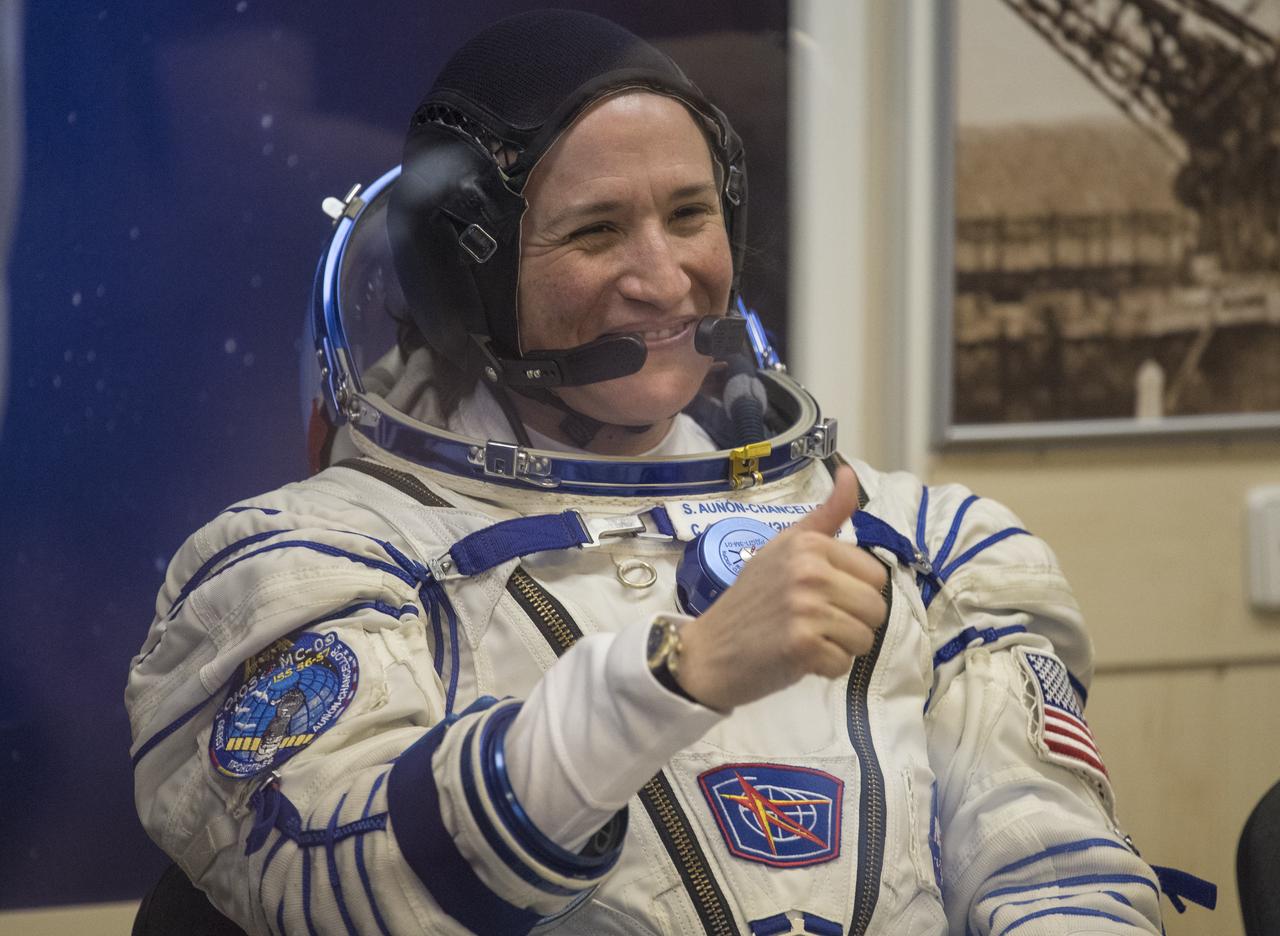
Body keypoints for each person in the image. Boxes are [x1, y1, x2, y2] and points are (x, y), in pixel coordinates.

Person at [126, 11, 1183, 935]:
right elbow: (343, 879)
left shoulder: (928, 545)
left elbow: (1053, 867)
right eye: (594, 231)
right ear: (470, 274)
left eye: (688, 215)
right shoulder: (311, 568)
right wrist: (670, 676)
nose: (664, 276)